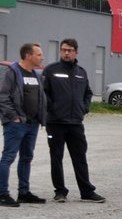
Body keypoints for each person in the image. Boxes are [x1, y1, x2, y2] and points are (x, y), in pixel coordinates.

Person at [44, 38, 104, 203]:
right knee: (56, 157)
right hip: (55, 123)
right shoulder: (51, 71)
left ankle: (86, 191)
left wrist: (84, 108)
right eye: (63, 50)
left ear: (76, 52)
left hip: (76, 124)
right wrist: (53, 107)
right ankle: (60, 191)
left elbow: (88, 93)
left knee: (80, 157)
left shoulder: (81, 72)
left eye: (69, 50)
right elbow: (44, 94)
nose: (66, 53)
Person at [0, 44, 48, 207]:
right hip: (16, 124)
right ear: (28, 56)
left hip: (32, 124)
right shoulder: (12, 72)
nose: (42, 57)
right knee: (8, 157)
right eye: (39, 54)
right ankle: (2, 194)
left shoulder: (35, 74)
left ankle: (24, 193)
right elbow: (3, 96)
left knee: (26, 158)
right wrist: (13, 117)